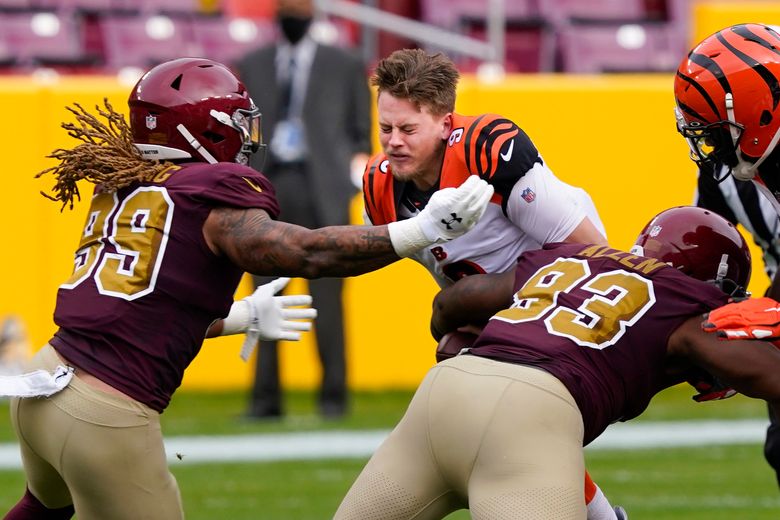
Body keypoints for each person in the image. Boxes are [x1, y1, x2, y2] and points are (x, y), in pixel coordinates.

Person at [2, 57, 493, 520]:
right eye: (237, 123)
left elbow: (142, 303)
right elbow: (307, 252)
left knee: (43, 510)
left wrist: (239, 317)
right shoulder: (210, 195)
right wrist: (419, 231)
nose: (245, 136)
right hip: (103, 408)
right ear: (205, 129)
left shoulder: (128, 186)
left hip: (45, 381)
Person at [334, 205, 780, 520]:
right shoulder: (685, 306)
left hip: (444, 391)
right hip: (531, 416)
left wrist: (469, 340)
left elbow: (452, 303)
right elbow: (766, 375)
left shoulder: (569, 257)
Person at [361, 48, 622, 520]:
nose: (393, 142)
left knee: (516, 418)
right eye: (385, 129)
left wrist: (483, 306)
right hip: (490, 311)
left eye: (407, 129)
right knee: (473, 384)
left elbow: (589, 254)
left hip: (559, 290)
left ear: (444, 122)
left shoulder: (487, 149)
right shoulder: (380, 187)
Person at [235, 0, 371, 419]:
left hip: (324, 193)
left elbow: (361, 135)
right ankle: (265, 401)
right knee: (263, 296)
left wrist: (348, 184)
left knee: (327, 300)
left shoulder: (343, 64)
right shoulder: (252, 63)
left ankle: (333, 398)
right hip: (267, 189)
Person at [674, 22, 780, 486]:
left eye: (715, 129)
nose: (706, 143)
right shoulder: (728, 171)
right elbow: (707, 249)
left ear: (759, 115)